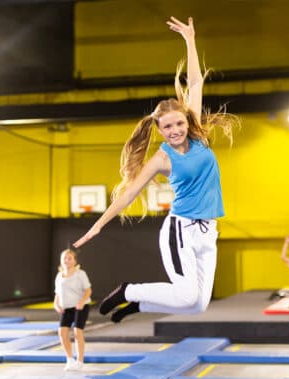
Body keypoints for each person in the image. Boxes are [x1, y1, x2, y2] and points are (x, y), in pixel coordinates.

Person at [73, 16, 237, 323]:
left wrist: (190, 40)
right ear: (160, 130)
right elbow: (129, 192)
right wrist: (98, 224)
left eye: (179, 123)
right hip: (181, 229)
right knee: (186, 294)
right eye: (168, 127)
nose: (175, 130)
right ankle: (128, 291)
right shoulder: (162, 159)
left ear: (187, 121)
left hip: (208, 230)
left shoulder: (198, 134)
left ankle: (139, 305)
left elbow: (196, 82)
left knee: (198, 305)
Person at [54, 248, 92, 371]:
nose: (67, 260)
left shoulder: (80, 274)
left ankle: (80, 361)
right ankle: (69, 359)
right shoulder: (59, 276)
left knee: (77, 331)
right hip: (66, 308)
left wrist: (81, 302)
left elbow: (88, 290)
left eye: (70, 258)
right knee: (62, 332)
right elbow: (57, 293)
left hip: (80, 306)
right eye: (64, 258)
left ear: (75, 261)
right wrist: (56, 305)